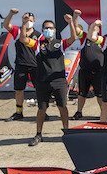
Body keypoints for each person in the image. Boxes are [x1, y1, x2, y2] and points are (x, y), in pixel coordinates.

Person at [18, 10, 80, 146]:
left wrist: (70, 23)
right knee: (41, 109)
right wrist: (23, 24)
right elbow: (23, 39)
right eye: (46, 28)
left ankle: (67, 133)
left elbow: (73, 38)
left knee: (62, 107)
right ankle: (38, 134)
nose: (48, 30)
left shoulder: (60, 43)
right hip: (42, 82)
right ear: (42, 30)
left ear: (55, 30)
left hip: (59, 82)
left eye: (51, 28)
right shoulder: (37, 44)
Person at [3, 9, 40, 121]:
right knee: (19, 90)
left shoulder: (39, 35)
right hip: (21, 65)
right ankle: (19, 112)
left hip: (35, 66)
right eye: (26, 19)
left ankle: (42, 111)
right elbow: (6, 24)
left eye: (30, 20)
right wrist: (11, 14)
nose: (28, 21)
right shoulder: (18, 32)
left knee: (39, 90)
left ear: (34, 21)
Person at [71, 19, 103, 120]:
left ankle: (103, 112)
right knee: (82, 94)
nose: (92, 29)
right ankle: (79, 111)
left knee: (100, 94)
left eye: (94, 27)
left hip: (98, 72)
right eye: (90, 27)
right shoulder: (84, 38)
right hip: (85, 72)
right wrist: (75, 17)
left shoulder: (102, 40)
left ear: (98, 30)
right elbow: (76, 29)